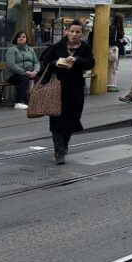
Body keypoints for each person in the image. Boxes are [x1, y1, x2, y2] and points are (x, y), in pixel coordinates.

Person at [38, 19, 95, 165]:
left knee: (73, 118)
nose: (74, 35)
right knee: (57, 118)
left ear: (82, 34)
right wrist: (56, 63)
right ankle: (59, 151)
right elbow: (45, 61)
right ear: (67, 31)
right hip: (57, 86)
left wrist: (76, 60)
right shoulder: (58, 46)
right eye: (72, 31)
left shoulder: (85, 48)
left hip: (76, 88)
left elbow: (90, 63)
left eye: (78, 32)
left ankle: (65, 142)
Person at [5, 30, 38, 110]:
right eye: (19, 37)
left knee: (40, 78)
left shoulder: (30, 49)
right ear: (16, 39)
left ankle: (33, 100)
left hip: (29, 72)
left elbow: (36, 62)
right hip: (12, 74)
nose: (21, 38)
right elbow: (11, 65)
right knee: (24, 80)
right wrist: (25, 72)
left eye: (23, 37)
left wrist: (35, 71)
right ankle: (19, 102)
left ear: (26, 39)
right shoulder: (12, 49)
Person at [107, 13, 124, 92]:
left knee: (111, 67)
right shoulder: (117, 28)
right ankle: (112, 84)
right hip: (115, 49)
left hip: (111, 48)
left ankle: (110, 83)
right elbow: (112, 40)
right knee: (115, 67)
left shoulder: (112, 27)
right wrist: (121, 41)